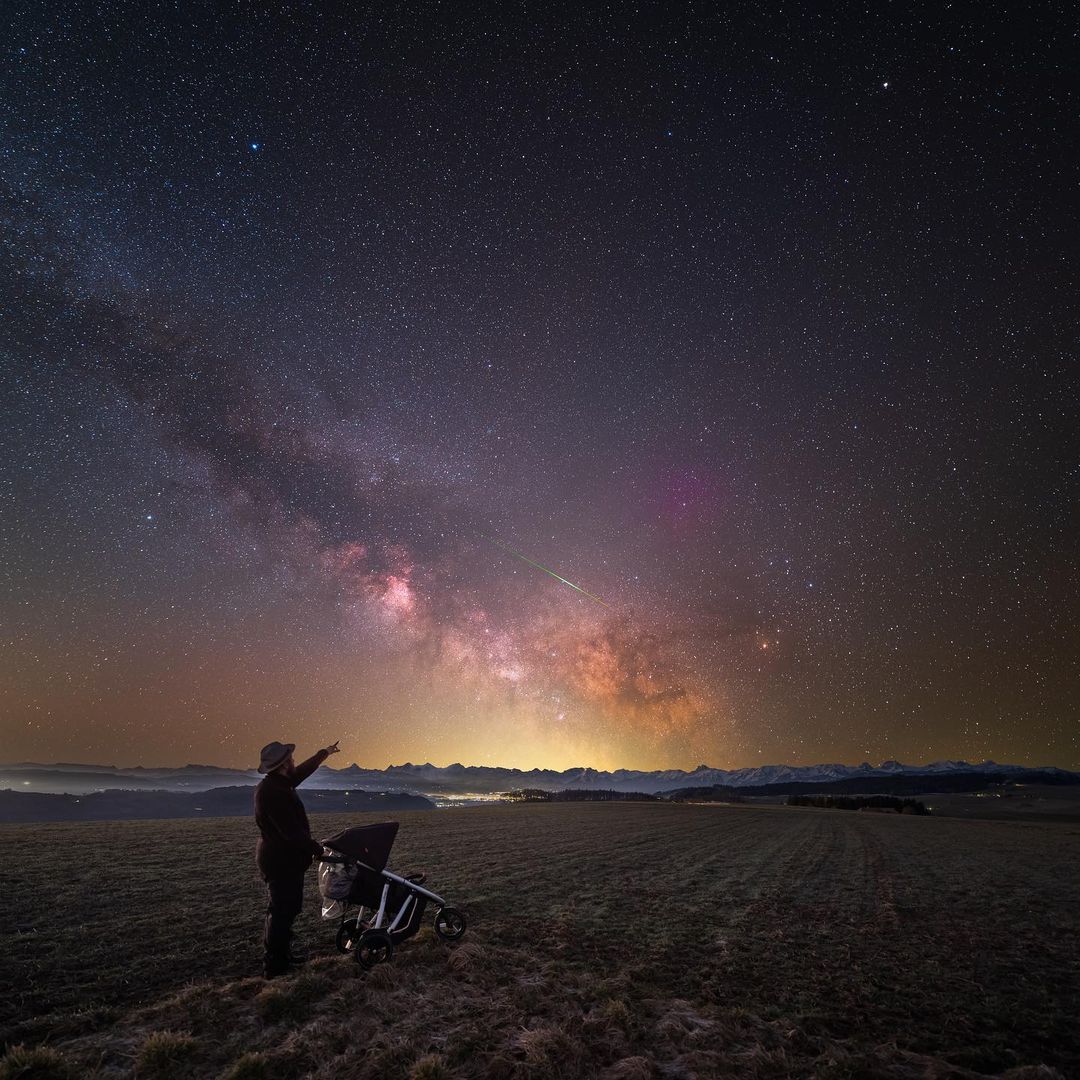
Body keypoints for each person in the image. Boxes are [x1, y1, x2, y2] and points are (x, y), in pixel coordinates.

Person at [254, 738, 340, 977]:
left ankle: (282, 955)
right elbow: (291, 833)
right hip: (280, 862)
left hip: (283, 860)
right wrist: (318, 849)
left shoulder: (277, 783)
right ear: (283, 765)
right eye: (290, 758)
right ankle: (274, 965)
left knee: (287, 909)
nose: (293, 761)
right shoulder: (274, 793)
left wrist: (324, 753)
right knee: (282, 912)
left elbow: (301, 772)